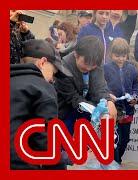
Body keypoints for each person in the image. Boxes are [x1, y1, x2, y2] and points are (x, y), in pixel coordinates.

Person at [10, 39, 72, 169]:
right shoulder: (43, 88)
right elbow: (46, 145)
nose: (52, 80)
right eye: (53, 73)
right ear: (42, 62)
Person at [54, 35, 117, 136]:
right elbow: (72, 98)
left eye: (93, 65)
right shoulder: (63, 68)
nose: (89, 67)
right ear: (76, 54)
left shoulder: (95, 64)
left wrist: (108, 101)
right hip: (65, 111)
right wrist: (98, 110)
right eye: (86, 63)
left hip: (86, 112)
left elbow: (99, 87)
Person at [103, 38, 138, 164]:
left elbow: (136, 85)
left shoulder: (132, 69)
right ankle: (115, 164)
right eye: (117, 55)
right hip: (114, 110)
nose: (120, 59)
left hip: (128, 109)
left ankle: (117, 162)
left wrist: (135, 96)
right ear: (111, 54)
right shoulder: (106, 68)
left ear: (127, 55)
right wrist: (108, 95)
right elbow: (102, 86)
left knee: (125, 139)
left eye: (123, 56)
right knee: (115, 141)